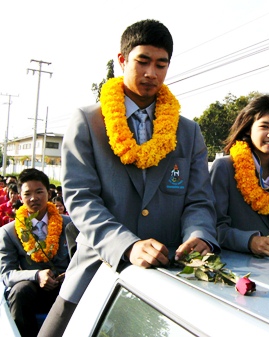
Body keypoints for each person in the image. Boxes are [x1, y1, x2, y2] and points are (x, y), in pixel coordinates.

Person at [38, 19, 219, 337]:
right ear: (122, 60)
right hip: (98, 266)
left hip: (168, 272)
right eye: (143, 61)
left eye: (161, 64)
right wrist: (127, 245)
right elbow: (80, 198)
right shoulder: (88, 121)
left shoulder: (188, 132)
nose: (152, 73)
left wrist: (199, 234)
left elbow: (198, 199)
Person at [210, 94, 269, 256]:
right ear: (248, 129)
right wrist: (249, 241)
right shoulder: (225, 168)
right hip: (239, 267)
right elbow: (213, 227)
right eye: (264, 126)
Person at [0, 169, 71, 337]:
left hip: (66, 287)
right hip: (33, 291)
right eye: (28, 193)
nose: (34, 198)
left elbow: (81, 258)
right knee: (20, 290)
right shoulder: (9, 232)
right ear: (20, 196)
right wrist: (37, 275)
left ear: (48, 192)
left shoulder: (69, 225)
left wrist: (70, 274)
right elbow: (7, 275)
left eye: (39, 191)